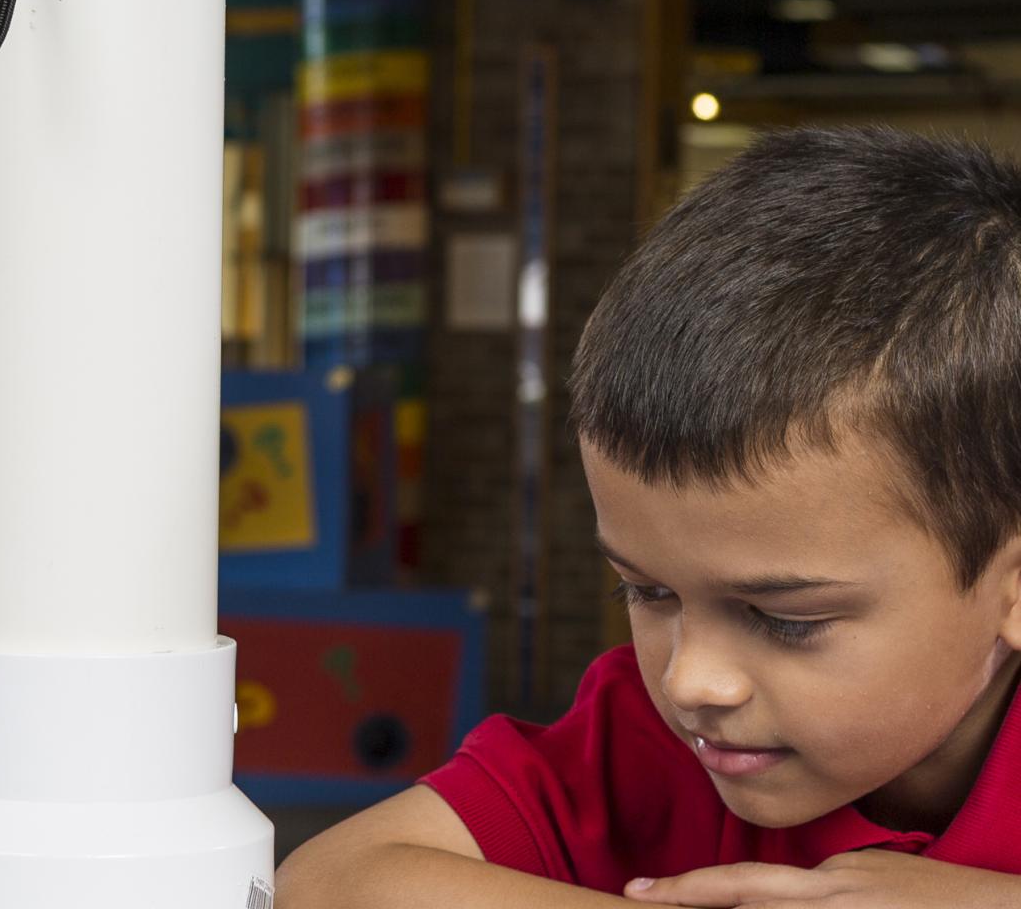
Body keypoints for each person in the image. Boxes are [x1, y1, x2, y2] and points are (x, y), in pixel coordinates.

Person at [277, 128, 1021, 908]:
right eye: (645, 591)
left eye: (784, 617)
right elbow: (328, 882)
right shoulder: (650, 739)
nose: (690, 679)